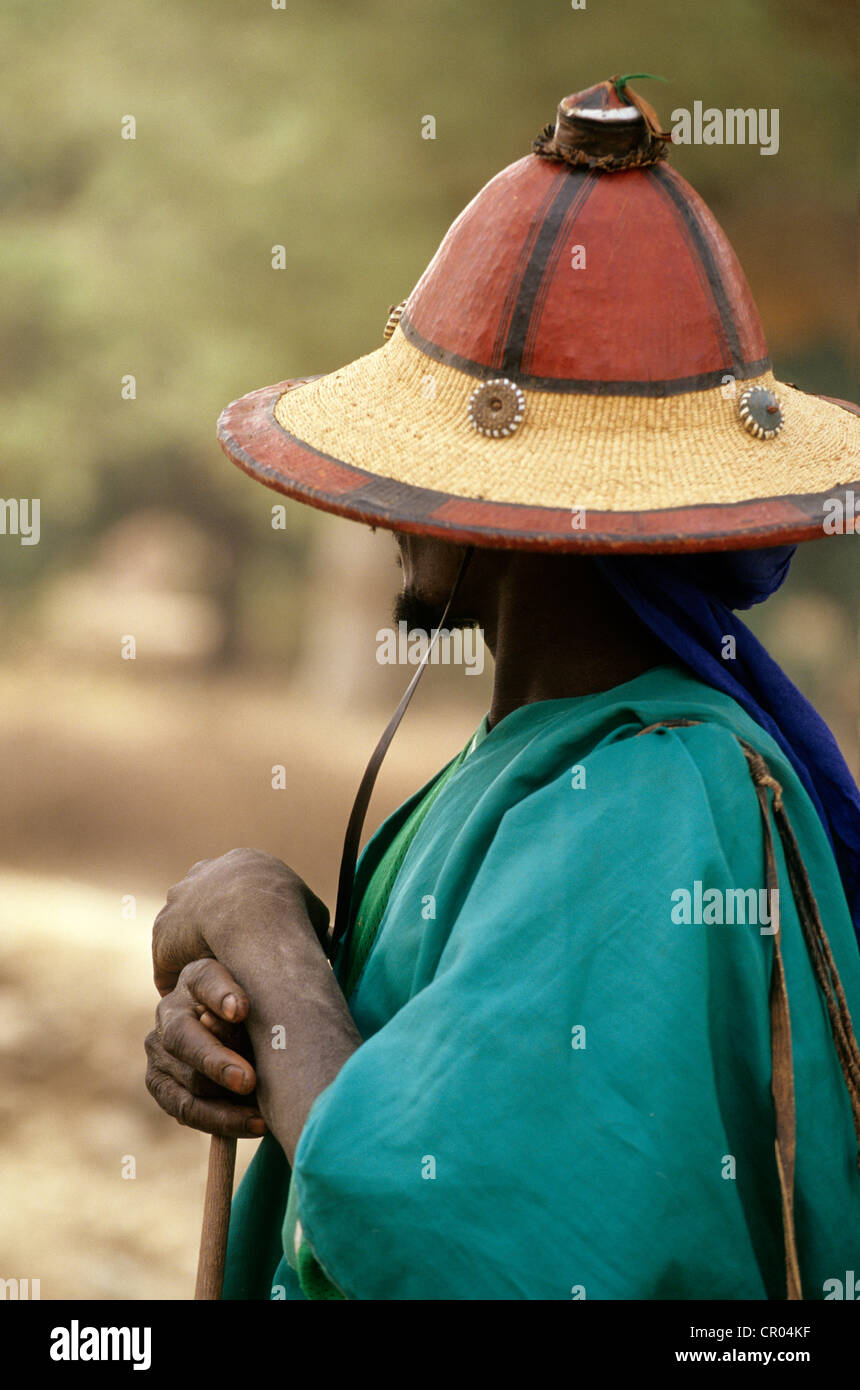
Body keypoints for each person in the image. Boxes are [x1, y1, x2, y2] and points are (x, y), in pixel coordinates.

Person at [145, 77, 860, 1300]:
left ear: (502, 517)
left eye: (414, 477)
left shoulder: (642, 794)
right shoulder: (540, 759)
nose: (386, 514)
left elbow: (440, 1230)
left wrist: (258, 929)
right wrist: (251, 1025)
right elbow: (406, 1088)